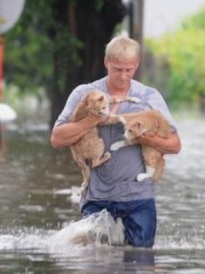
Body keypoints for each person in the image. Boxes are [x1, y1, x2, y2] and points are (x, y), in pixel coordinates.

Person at [50, 35, 182, 248]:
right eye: (117, 69)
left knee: (140, 263)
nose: (123, 76)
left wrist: (149, 138)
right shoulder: (85, 95)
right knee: (93, 264)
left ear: (136, 66)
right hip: (97, 198)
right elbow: (57, 138)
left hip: (138, 199)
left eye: (128, 70)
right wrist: (93, 120)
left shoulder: (149, 97)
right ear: (106, 63)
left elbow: (175, 145)